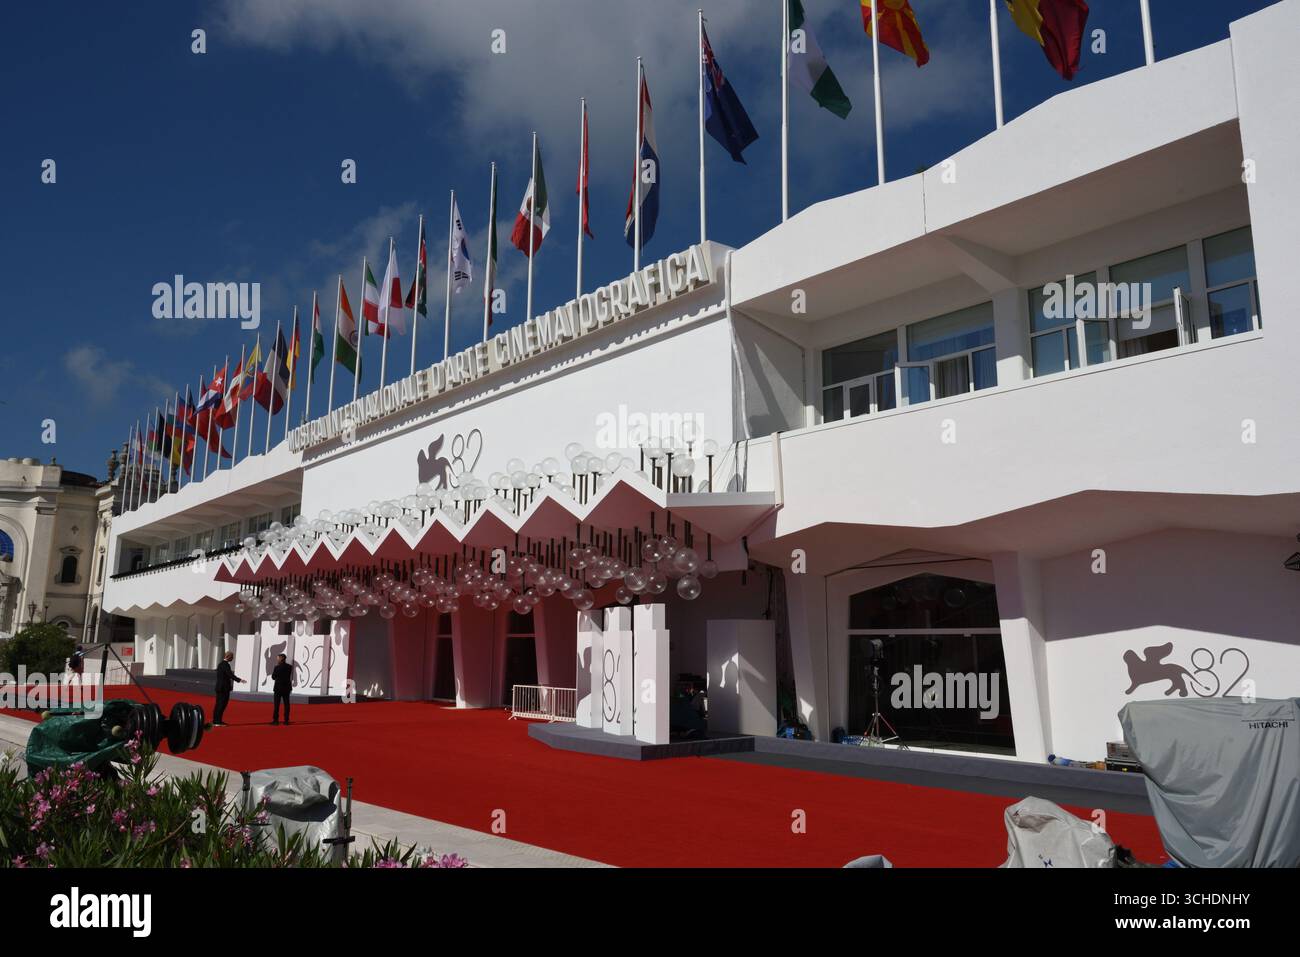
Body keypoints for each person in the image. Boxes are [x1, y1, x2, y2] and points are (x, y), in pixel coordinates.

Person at [213, 651, 244, 727]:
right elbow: (230, 675)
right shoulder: (226, 665)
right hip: (224, 688)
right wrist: (239, 680)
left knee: (218, 704)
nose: (233, 658)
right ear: (229, 657)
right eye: (232, 657)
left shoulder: (220, 664)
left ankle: (216, 720)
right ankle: (218, 721)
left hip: (219, 687)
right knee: (222, 704)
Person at [271, 653, 293, 725]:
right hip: (286, 688)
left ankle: (275, 720)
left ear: (281, 658)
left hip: (278, 688)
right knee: (287, 704)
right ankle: (286, 720)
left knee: (276, 705)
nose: (277, 659)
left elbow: (273, 677)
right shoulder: (289, 667)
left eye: (278, 658)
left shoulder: (276, 667)